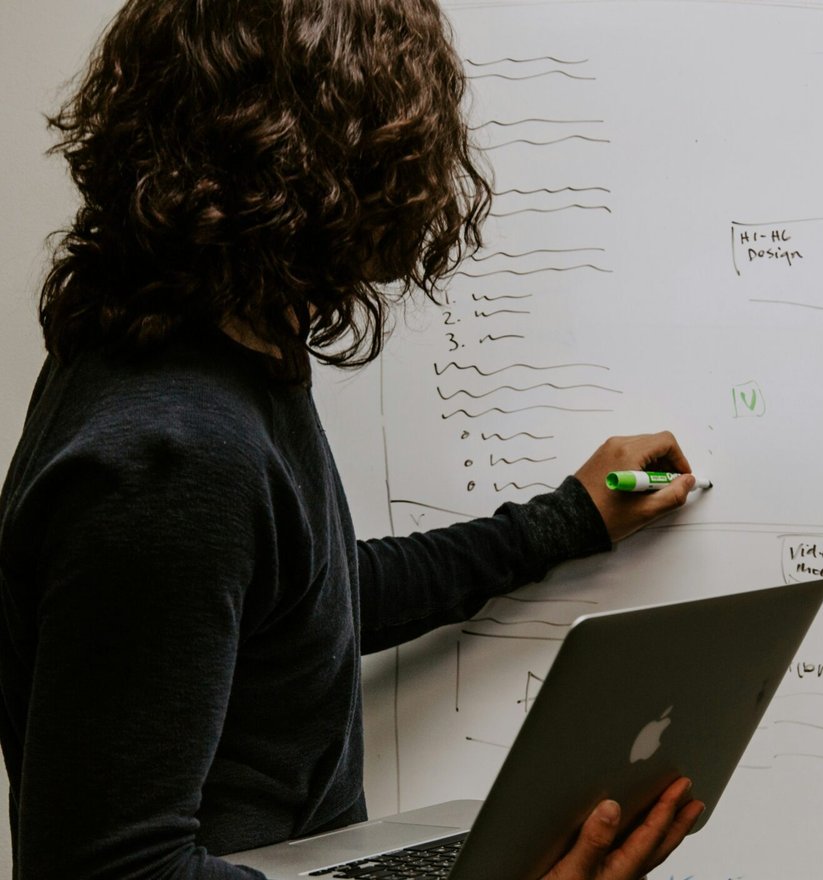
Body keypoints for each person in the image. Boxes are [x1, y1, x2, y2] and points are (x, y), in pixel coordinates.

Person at [0, 0, 705, 876]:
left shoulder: (219, 354)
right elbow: (110, 870)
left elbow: (303, 606)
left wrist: (567, 522)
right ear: (334, 172)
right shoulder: (170, 453)